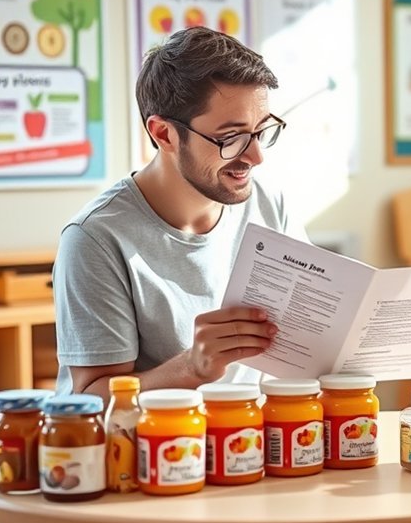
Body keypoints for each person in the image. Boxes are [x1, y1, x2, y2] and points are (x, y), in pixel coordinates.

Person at [54, 27, 294, 400]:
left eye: (261, 132)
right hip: (153, 450)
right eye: (231, 138)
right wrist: (191, 368)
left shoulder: (267, 205)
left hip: (249, 441)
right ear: (164, 134)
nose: (255, 156)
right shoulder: (95, 239)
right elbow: (90, 399)